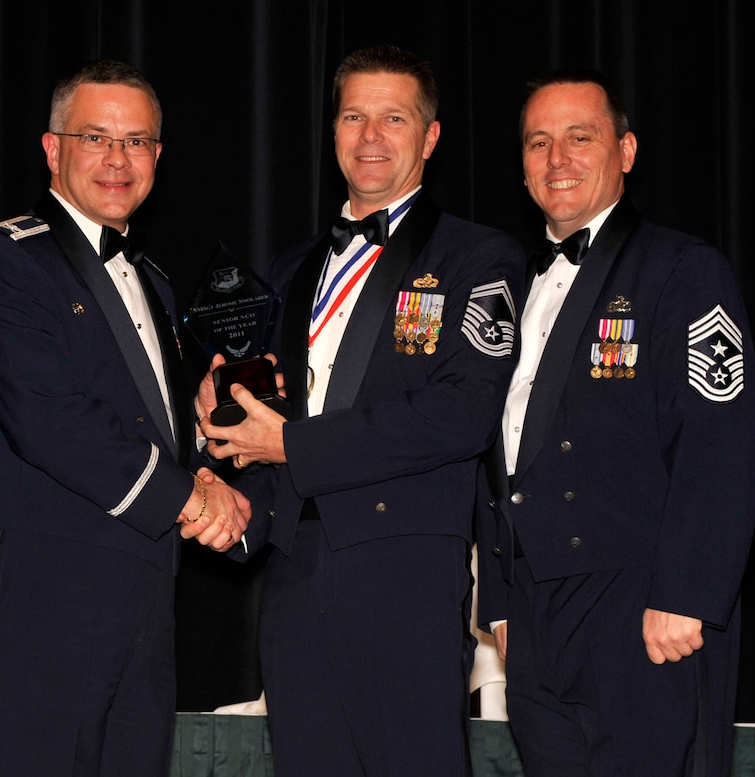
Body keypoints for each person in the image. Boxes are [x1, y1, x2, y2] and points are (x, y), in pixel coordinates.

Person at [197, 45, 526, 777]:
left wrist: (292, 444)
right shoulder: (287, 268)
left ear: (430, 137)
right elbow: (267, 414)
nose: (370, 136)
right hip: (294, 584)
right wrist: (217, 426)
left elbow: (463, 412)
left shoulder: (482, 257)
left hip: (405, 575)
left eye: (393, 117)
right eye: (353, 116)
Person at [0, 59, 251, 777]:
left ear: (157, 157)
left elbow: (157, 428)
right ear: (53, 149)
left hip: (146, 588)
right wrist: (192, 496)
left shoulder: (152, 280)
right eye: (96, 137)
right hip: (44, 586)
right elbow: (51, 419)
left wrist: (213, 439)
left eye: (138, 141)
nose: (118, 159)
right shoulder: (7, 258)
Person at [475, 69, 755, 776]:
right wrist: (503, 603)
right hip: (536, 617)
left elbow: (721, 441)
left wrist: (686, 593)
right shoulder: (510, 284)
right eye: (538, 142)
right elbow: (498, 450)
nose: (557, 159)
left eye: (581, 137)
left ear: (626, 151)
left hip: (641, 609)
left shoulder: (683, 269)